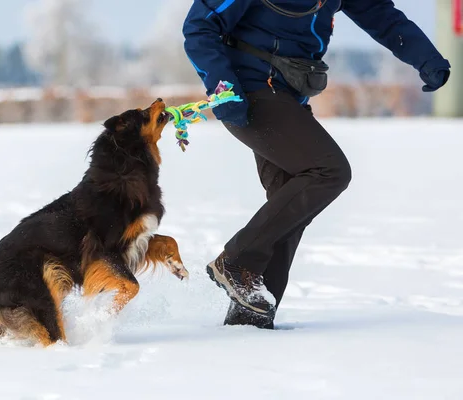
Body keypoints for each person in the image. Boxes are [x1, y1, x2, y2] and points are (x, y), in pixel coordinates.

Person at [182, 0, 451, 329]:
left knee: (290, 203)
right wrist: (224, 89)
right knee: (327, 171)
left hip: (288, 95)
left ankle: (250, 322)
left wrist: (427, 58)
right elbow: (199, 28)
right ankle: (237, 261)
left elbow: (383, 18)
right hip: (247, 90)